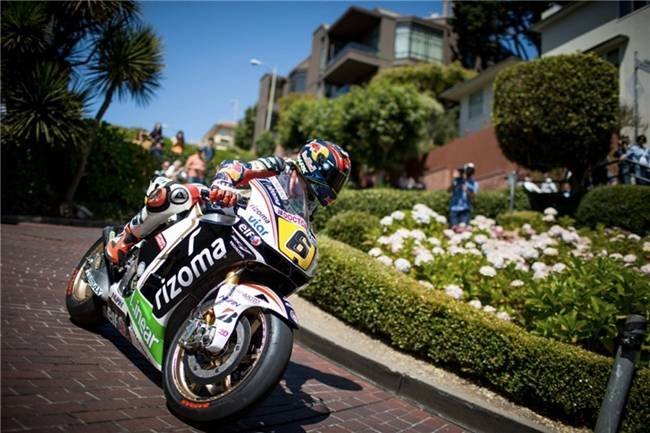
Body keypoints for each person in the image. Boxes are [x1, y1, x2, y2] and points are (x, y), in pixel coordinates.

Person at [105, 139, 351, 267]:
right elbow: (237, 168)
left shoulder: (310, 203)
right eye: (335, 178)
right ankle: (125, 239)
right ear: (316, 164)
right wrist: (224, 183)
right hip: (228, 206)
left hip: (249, 237)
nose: (335, 186)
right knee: (177, 194)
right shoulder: (280, 167)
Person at [448, 163, 478, 228]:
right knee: (454, 229)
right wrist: (453, 183)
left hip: (465, 210)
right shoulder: (456, 181)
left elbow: (473, 197)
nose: (468, 173)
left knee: (464, 229)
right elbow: (448, 191)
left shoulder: (474, 183)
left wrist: (466, 191)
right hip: (454, 209)